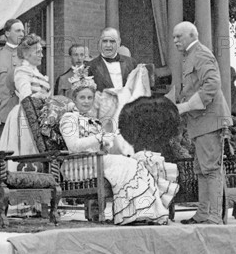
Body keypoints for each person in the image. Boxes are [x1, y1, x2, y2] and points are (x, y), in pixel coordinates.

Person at [59, 68, 178, 225]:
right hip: (78, 164)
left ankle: (144, 212)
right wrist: (98, 137)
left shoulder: (92, 119)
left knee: (141, 161)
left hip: (96, 161)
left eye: (89, 97)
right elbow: (73, 146)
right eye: (82, 98)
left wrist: (106, 142)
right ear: (74, 99)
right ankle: (132, 214)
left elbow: (98, 146)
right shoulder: (69, 118)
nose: (86, 101)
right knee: (127, 164)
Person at [172, 21, 232, 225]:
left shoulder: (201, 53)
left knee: (211, 169)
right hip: (200, 123)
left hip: (209, 121)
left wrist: (186, 106)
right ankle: (203, 213)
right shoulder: (191, 56)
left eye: (178, 37)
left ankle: (213, 216)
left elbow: (213, 84)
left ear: (191, 35)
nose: (175, 41)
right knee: (201, 169)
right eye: (174, 37)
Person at [0, 33, 51, 165]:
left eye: (41, 51)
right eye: (38, 52)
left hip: (40, 115)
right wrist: (42, 97)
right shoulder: (22, 71)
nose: (42, 55)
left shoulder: (38, 73)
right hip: (25, 115)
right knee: (25, 149)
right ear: (27, 54)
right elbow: (25, 96)